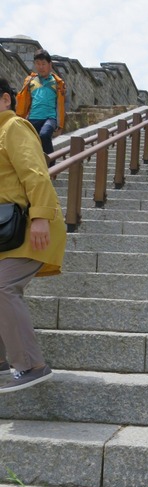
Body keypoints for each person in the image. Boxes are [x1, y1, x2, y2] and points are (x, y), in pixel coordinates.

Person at [0, 77, 66, 393]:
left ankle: (30, 364)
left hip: (31, 226)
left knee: (3, 286)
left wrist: (40, 216)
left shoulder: (13, 127)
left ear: (5, 100)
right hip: (7, 233)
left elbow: (35, 172)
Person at [15, 49, 66, 161]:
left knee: (44, 135)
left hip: (50, 118)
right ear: (35, 65)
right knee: (29, 144)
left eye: (43, 64)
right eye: (38, 64)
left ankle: (51, 165)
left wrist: (60, 125)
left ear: (50, 65)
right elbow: (24, 103)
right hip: (33, 118)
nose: (41, 67)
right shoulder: (30, 82)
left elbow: (61, 105)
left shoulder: (57, 83)